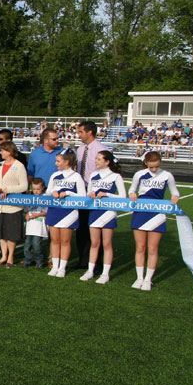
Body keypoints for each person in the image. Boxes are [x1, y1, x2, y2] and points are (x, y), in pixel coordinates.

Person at [129, 151, 180, 291]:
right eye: (151, 167)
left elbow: (175, 191)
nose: (154, 169)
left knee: (152, 248)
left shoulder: (167, 175)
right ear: (146, 163)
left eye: (156, 166)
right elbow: (132, 190)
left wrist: (175, 197)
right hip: (141, 211)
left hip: (157, 213)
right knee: (140, 247)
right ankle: (139, 278)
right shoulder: (139, 174)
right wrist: (132, 194)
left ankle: (148, 280)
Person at [81, 150, 126, 284]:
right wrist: (91, 194)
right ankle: (90, 270)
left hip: (108, 212)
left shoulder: (116, 176)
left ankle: (105, 273)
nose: (96, 161)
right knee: (94, 243)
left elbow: (123, 196)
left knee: (107, 244)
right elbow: (88, 192)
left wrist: (107, 194)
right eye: (96, 158)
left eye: (99, 159)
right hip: (95, 211)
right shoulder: (93, 175)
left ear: (107, 162)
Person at [0, 129, 28, 259]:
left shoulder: (19, 165)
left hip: (13, 205)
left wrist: (7, 189)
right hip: (0, 204)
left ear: (9, 152)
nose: (0, 152)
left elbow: (24, 186)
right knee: (1, 232)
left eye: (3, 151)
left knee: (11, 233)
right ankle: (3, 256)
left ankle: (10, 256)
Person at [46, 149, 86, 278]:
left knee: (65, 240)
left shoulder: (76, 176)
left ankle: (62, 268)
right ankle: (55, 266)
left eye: (58, 161)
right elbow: (47, 192)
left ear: (67, 161)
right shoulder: (54, 175)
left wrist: (68, 193)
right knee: (55, 240)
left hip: (69, 212)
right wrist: (53, 192)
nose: (56, 163)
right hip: (54, 210)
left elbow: (82, 196)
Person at [74, 120, 108, 270]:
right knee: (81, 228)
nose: (78, 134)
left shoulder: (101, 150)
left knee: (94, 228)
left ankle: (96, 263)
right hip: (81, 192)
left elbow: (107, 173)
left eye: (81, 132)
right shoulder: (80, 150)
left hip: (94, 193)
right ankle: (82, 260)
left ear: (89, 132)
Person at [23, 178, 48, 269]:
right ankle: (27, 260)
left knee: (37, 245)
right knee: (27, 245)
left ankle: (39, 261)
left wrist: (38, 214)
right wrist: (26, 215)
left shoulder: (45, 197)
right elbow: (26, 210)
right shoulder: (30, 197)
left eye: (38, 189)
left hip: (39, 226)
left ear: (43, 188)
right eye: (34, 189)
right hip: (30, 226)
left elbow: (47, 211)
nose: (36, 191)